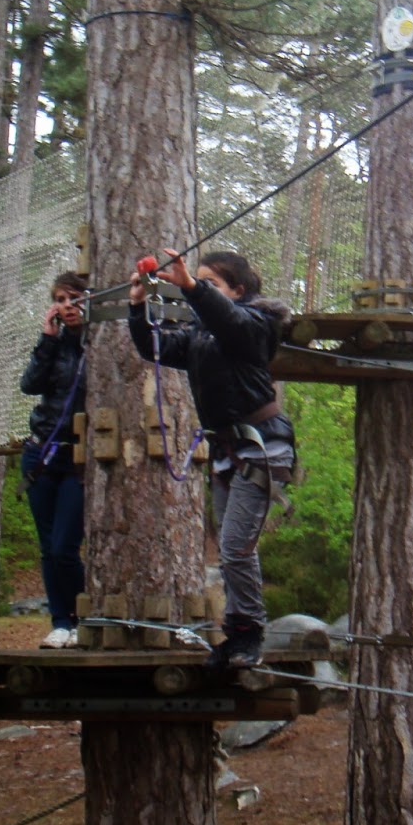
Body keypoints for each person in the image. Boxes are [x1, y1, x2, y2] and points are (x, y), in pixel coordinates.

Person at [128, 249, 294, 670]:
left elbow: (231, 322)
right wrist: (137, 308)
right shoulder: (200, 334)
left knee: (236, 548)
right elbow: (155, 347)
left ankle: (248, 634)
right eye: (200, 282)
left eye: (212, 283)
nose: (201, 289)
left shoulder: (259, 324)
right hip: (228, 450)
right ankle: (237, 635)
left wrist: (191, 287)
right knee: (230, 550)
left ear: (237, 290)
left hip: (263, 447)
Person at [19, 272, 88, 649]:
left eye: (74, 297)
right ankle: (60, 622)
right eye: (60, 299)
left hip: (78, 460)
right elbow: (30, 385)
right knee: (48, 548)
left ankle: (80, 620)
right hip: (40, 454)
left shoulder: (101, 344)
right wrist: (47, 339)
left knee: (64, 547)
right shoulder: (55, 346)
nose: (67, 306)